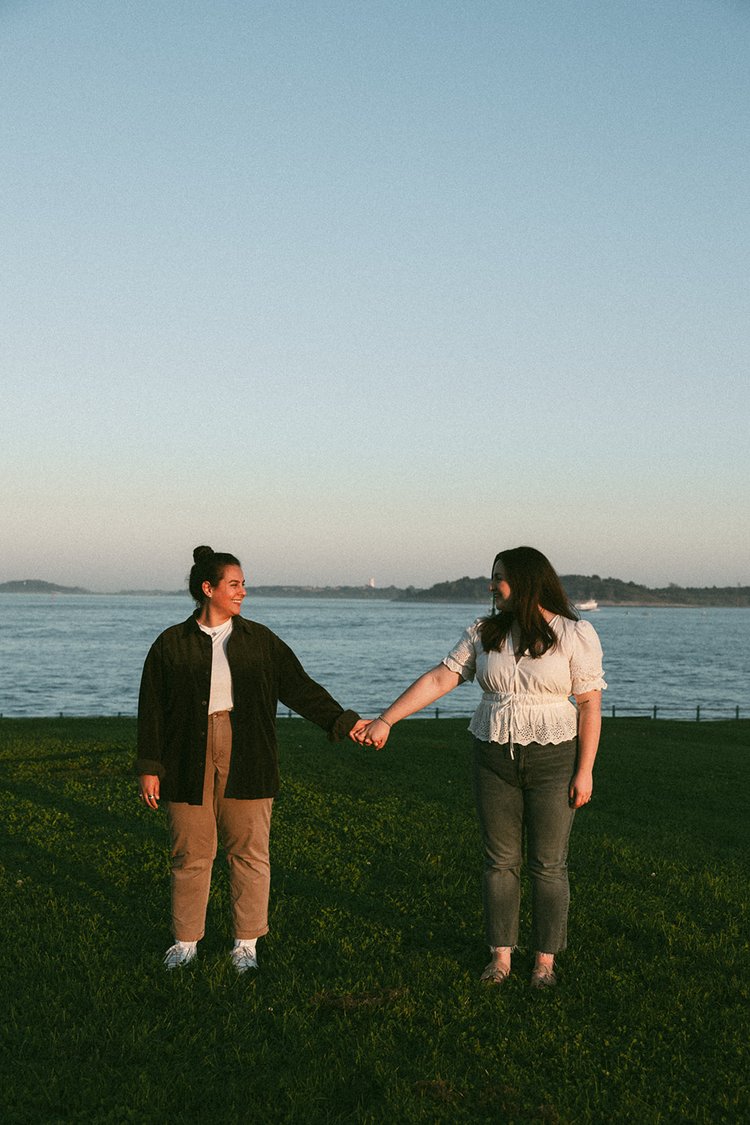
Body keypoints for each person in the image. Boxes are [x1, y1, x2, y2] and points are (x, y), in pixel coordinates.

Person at [351, 546, 605, 988]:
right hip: (491, 755)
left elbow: (589, 706)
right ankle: (501, 956)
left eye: (499, 577)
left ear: (524, 580)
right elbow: (439, 678)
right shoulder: (484, 633)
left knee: (548, 863)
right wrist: (386, 719)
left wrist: (585, 770)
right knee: (499, 861)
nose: (492, 585)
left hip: (553, 757)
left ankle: (545, 961)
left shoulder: (573, 634)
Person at [136, 545, 360, 972]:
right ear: (208, 588)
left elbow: (300, 688)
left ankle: (245, 943)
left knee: (249, 852)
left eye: (243, 584)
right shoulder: (170, 644)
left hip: (249, 752)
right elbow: (152, 709)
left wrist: (343, 721)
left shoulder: (261, 641)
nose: (242, 592)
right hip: (186, 756)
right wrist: (150, 766)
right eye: (234, 584)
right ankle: (185, 941)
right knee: (190, 852)